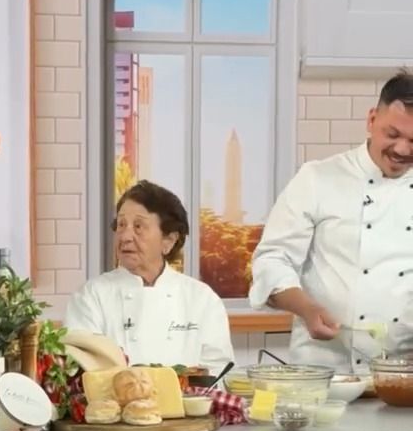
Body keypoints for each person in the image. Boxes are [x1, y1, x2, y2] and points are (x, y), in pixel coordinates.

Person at [250, 70, 413, 370]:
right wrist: (306, 308)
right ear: (371, 120)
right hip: (322, 370)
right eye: (392, 135)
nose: (402, 149)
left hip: (402, 372)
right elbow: (272, 260)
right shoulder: (317, 178)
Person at [65, 179, 233, 371]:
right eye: (121, 225)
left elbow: (217, 370)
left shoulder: (202, 299)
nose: (125, 236)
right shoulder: (91, 296)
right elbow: (81, 370)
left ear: (169, 240)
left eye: (138, 226)